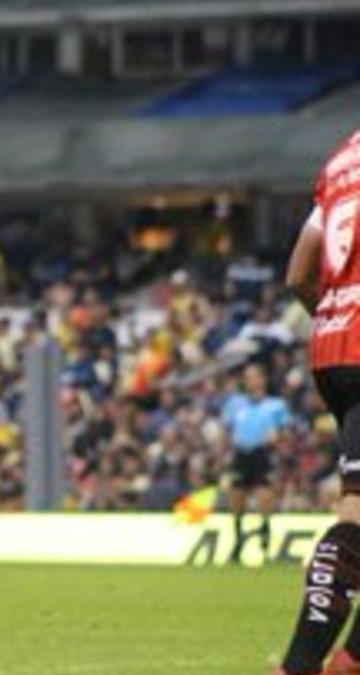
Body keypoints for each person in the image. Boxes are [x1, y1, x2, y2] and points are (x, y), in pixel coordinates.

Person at [275, 126, 360, 674]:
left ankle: (350, 662)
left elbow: (299, 273)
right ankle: (298, 667)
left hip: (334, 344)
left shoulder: (341, 161)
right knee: (358, 513)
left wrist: (339, 316)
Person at [221, 363, 291, 564]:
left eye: (254, 376)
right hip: (241, 453)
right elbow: (227, 430)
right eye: (247, 377)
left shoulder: (276, 405)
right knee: (236, 497)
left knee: (264, 496)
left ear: (263, 380)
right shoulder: (235, 403)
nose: (250, 381)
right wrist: (226, 451)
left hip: (263, 453)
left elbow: (286, 431)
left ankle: (265, 541)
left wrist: (277, 437)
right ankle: (237, 541)